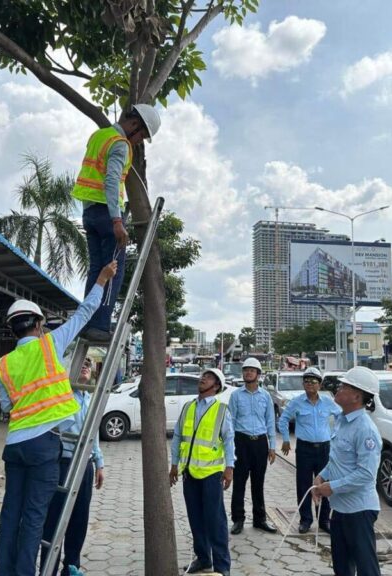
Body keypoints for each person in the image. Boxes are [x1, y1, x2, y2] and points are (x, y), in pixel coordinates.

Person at [0, 261, 117, 576]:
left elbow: (7, 405)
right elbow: (84, 313)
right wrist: (102, 279)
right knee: (35, 517)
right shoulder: (50, 346)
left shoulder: (4, 364)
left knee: (11, 516)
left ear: (13, 328)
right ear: (38, 324)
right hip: (43, 446)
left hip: (14, 446)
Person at [72, 104, 161, 342]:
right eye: (141, 135)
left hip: (89, 212)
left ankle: (88, 321)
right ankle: (100, 325)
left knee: (96, 270)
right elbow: (111, 180)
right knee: (113, 271)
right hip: (107, 214)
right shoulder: (120, 144)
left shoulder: (99, 136)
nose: (139, 140)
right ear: (133, 124)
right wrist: (117, 220)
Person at [312, 367, 383, 576]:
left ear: (357, 396)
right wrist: (323, 475)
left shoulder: (365, 429)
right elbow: (338, 460)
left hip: (359, 511)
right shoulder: (341, 420)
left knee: (366, 569)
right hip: (341, 510)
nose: (338, 389)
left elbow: (366, 474)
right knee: (342, 567)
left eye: (344, 386)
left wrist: (331, 487)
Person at [40, 357, 104, 576]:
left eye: (88, 364)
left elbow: (92, 432)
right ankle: (48, 567)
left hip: (84, 465)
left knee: (79, 518)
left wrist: (99, 462)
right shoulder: (62, 395)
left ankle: (71, 567)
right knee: (55, 519)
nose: (85, 367)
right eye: (81, 363)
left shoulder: (89, 397)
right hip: (64, 462)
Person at [169, 368, 234, 576]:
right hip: (189, 472)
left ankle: (222, 566)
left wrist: (229, 468)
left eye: (208, 377)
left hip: (211, 474)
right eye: (203, 376)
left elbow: (229, 441)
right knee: (195, 518)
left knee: (215, 521)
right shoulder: (188, 406)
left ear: (216, 386)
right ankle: (204, 559)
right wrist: (174, 465)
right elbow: (178, 436)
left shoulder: (221, 410)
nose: (202, 379)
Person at [278, 366, 342, 534]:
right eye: (306, 381)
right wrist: (285, 439)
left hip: (324, 449)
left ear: (319, 385)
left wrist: (335, 435)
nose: (310, 385)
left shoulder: (328, 402)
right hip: (304, 449)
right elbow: (283, 419)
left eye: (313, 382)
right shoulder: (297, 401)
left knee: (324, 484)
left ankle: (324, 520)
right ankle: (305, 520)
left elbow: (341, 416)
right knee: (304, 485)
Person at [228, 357, 277, 535]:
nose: (248, 372)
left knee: (258, 482)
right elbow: (230, 421)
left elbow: (270, 421)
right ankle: (238, 519)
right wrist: (230, 447)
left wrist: (272, 447)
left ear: (258, 374)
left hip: (260, 443)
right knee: (239, 482)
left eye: (252, 370)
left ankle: (260, 519)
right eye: (245, 370)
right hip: (241, 442)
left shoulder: (265, 396)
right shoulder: (235, 395)